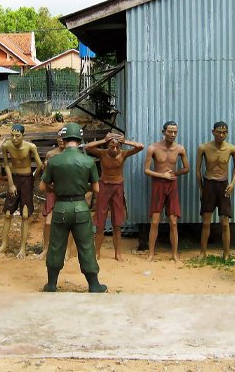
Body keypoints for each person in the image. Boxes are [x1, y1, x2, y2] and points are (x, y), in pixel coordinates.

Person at [40, 122, 106, 293]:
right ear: (80, 140)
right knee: (86, 245)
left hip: (60, 207)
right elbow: (96, 188)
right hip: (81, 208)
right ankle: (93, 284)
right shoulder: (88, 161)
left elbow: (42, 187)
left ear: (63, 138)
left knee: (56, 245)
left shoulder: (54, 161)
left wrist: (56, 190)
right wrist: (82, 188)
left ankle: (51, 284)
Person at [85, 132, 144, 262]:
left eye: (118, 146)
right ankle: (97, 252)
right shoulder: (102, 153)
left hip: (117, 187)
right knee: (100, 222)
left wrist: (125, 141)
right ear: (108, 146)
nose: (115, 149)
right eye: (112, 146)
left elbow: (141, 147)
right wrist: (104, 140)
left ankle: (117, 253)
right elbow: (88, 147)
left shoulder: (123, 154)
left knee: (117, 223)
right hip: (104, 186)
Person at [144, 121, 189, 262]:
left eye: (175, 132)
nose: (173, 134)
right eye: (170, 131)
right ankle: (151, 253)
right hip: (158, 185)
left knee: (173, 222)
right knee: (155, 221)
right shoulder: (153, 148)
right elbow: (146, 170)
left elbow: (186, 168)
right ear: (163, 132)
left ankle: (175, 254)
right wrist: (162, 175)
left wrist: (174, 174)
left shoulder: (180, 149)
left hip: (172, 186)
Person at [0, 124, 43, 258]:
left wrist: (33, 179)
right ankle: (3, 245)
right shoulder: (6, 146)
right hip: (14, 178)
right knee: (8, 214)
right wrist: (11, 184)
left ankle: (22, 247)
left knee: (25, 215)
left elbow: (39, 165)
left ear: (23, 136)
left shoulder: (30, 147)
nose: (14, 138)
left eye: (17, 136)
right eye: (12, 135)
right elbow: (6, 165)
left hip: (27, 179)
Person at [196, 121, 235, 261]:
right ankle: (203, 252)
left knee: (225, 222)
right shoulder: (203, 148)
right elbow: (198, 170)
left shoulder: (232, 149)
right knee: (206, 221)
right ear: (213, 132)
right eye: (219, 132)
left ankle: (226, 253)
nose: (221, 135)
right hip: (209, 184)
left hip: (223, 186)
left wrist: (232, 183)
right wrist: (201, 189)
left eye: (224, 132)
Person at [36, 129, 74, 260]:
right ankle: (46, 249)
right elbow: (44, 175)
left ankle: (67, 250)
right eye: (58, 137)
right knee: (48, 222)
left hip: (67, 190)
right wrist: (45, 167)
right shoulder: (51, 154)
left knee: (68, 221)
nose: (60, 140)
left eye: (62, 137)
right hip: (52, 189)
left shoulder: (72, 154)